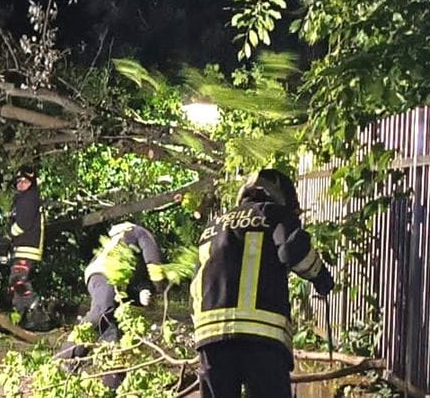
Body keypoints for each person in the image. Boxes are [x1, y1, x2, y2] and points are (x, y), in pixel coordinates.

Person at [192, 168, 335, 398]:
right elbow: (292, 250)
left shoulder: (212, 228)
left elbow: (196, 284)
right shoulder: (275, 215)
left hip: (212, 341)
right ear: (281, 198)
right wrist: (321, 277)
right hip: (262, 340)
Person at [55, 222, 164, 390]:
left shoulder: (125, 246)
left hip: (110, 281)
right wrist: (159, 286)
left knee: (114, 333)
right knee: (102, 310)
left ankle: (112, 385)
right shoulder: (140, 232)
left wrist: (140, 295)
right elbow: (153, 263)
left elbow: (129, 288)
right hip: (103, 274)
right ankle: (65, 356)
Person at [5, 166, 46, 327]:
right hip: (24, 248)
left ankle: (38, 313)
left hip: (27, 248)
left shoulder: (29, 199)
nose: (21, 185)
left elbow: (23, 224)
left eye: (25, 181)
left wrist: (9, 234)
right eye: (19, 182)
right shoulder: (27, 198)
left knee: (19, 281)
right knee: (16, 283)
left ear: (32, 183)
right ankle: (19, 318)